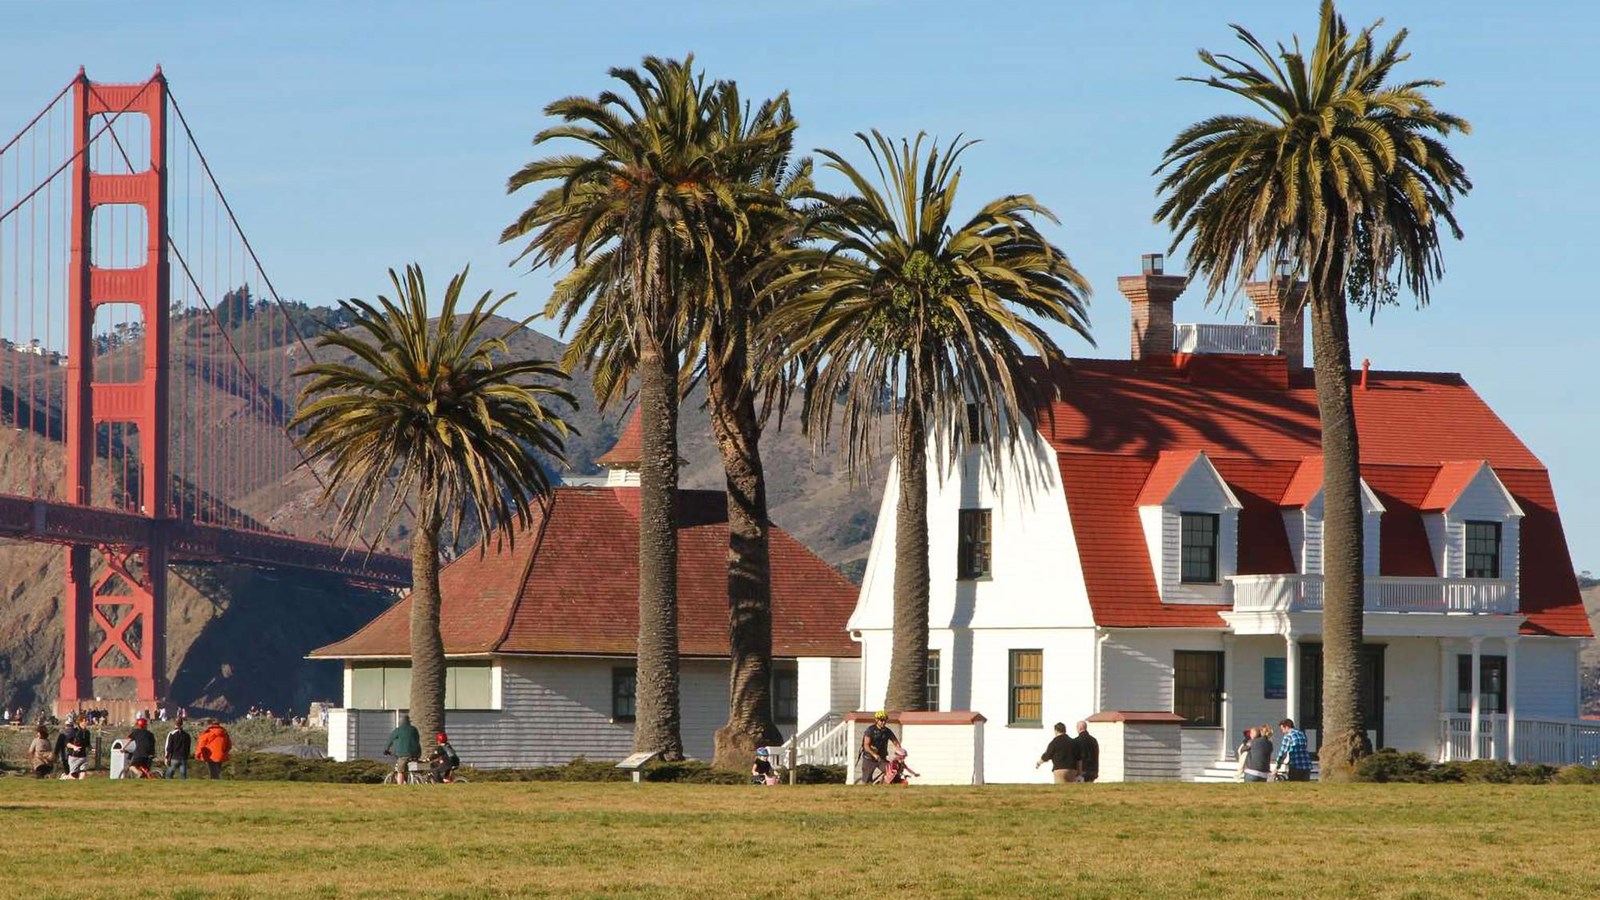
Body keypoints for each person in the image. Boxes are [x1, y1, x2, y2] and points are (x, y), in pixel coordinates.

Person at [859, 710, 901, 785]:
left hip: (881, 758)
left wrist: (899, 753)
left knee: (890, 771)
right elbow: (866, 745)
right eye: (881, 720)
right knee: (867, 782)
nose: (883, 722)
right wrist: (874, 754)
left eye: (885, 720)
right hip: (869, 759)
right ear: (876, 720)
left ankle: (882, 784)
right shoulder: (870, 730)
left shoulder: (887, 731)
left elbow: (895, 742)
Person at [384, 714, 422, 783]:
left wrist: (385, 750)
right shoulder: (414, 729)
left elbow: (390, 741)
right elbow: (417, 739)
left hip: (404, 754)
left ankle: (400, 786)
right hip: (416, 753)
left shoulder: (398, 730)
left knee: (400, 770)